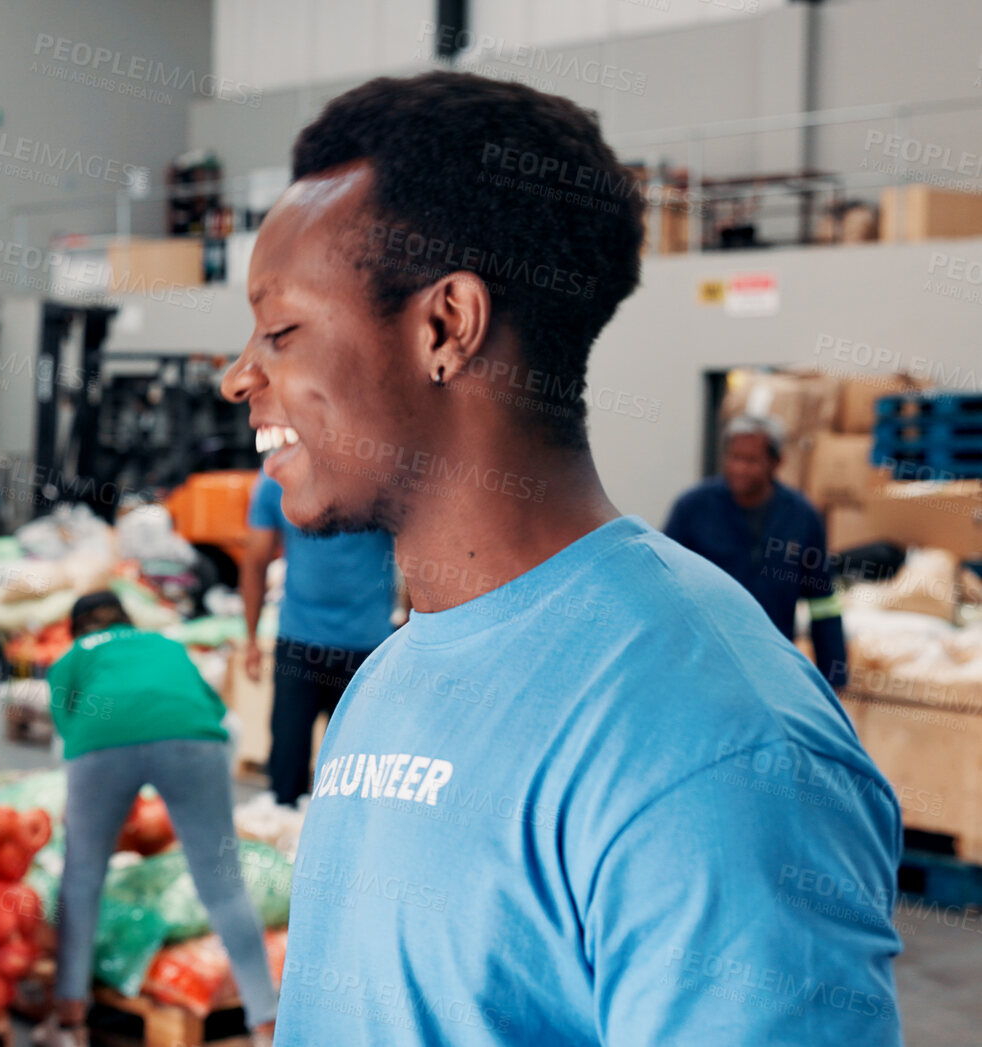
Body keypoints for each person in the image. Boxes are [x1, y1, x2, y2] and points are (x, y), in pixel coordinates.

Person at [220, 71, 901, 1045]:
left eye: (279, 329)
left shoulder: (712, 746)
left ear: (444, 327)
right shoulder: (394, 673)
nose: (238, 374)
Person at [45, 591, 276, 1047]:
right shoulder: (167, 646)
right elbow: (225, 723)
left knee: (82, 878)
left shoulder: (72, 658)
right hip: (193, 740)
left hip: (101, 742)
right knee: (224, 884)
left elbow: (66, 744)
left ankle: (69, 1018)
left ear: (77, 630)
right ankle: (266, 1021)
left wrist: (101, 803)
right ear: (128, 620)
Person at [241, 469, 397, 806]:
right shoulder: (277, 479)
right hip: (300, 640)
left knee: (357, 769)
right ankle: (284, 829)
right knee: (287, 757)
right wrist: (251, 640)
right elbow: (254, 561)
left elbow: (418, 552)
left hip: (367, 646)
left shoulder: (382, 476)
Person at [664, 414, 849, 688]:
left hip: (772, 664)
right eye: (734, 457)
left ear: (776, 462)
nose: (739, 468)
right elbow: (663, 583)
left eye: (751, 460)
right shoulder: (693, 508)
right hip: (705, 663)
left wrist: (834, 677)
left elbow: (822, 602)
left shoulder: (802, 516)